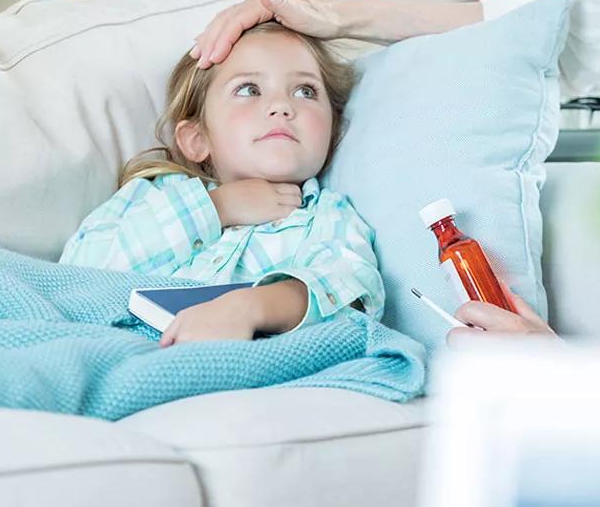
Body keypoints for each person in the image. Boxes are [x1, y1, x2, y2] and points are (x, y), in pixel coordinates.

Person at [188, 0, 600, 345]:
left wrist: (584, 376)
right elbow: (527, 20)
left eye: (306, 92)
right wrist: (327, 17)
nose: (280, 110)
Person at [60, 21, 384, 347]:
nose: (282, 106)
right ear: (197, 139)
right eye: (249, 90)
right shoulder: (152, 194)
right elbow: (76, 277)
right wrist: (216, 208)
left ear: (333, 127)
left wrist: (250, 307)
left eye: (305, 91)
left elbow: (352, 291)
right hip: (110, 343)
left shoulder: (327, 215)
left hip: (235, 364)